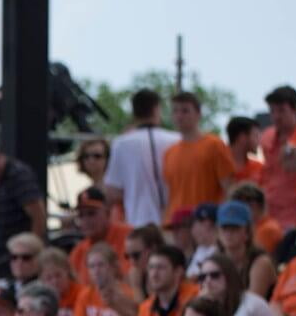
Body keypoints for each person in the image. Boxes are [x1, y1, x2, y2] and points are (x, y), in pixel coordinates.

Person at [105, 88, 180, 229]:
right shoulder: (176, 140)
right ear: (157, 109)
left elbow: (113, 191)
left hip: (138, 222)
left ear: (133, 112)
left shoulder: (121, 143)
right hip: (174, 222)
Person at [0, 139, 46, 277]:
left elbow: (38, 215)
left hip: (21, 258)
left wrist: (30, 252)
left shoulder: (18, 175)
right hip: (5, 257)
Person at [162, 92, 234, 226]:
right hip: (176, 225)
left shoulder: (214, 145)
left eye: (185, 111)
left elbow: (229, 188)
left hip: (205, 223)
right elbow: (170, 194)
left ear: (198, 114)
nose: (179, 116)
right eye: (175, 111)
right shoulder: (169, 152)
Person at [260, 85, 296, 230]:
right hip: (269, 215)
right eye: (272, 111)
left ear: (295, 110)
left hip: (295, 216)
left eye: (281, 110)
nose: (276, 116)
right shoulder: (267, 136)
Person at [75, 243, 138, 316]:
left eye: (101, 265)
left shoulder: (128, 293)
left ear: (113, 267)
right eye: (92, 266)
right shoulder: (85, 296)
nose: (96, 271)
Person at [68, 187, 128, 286]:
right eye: (81, 215)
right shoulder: (78, 253)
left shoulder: (128, 237)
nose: (86, 220)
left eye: (91, 213)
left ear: (107, 212)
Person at [216, 201, 277, 299]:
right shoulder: (215, 262)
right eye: (224, 228)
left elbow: (252, 304)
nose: (228, 233)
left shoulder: (260, 262)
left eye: (234, 228)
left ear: (247, 232)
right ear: (218, 232)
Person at [228, 182, 284, 256]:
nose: (236, 213)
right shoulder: (253, 228)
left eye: (238, 208)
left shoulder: (267, 230)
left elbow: (255, 259)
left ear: (253, 205)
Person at [226, 116, 263, 184]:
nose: (260, 141)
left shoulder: (258, 168)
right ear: (242, 137)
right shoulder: (219, 168)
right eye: (256, 136)